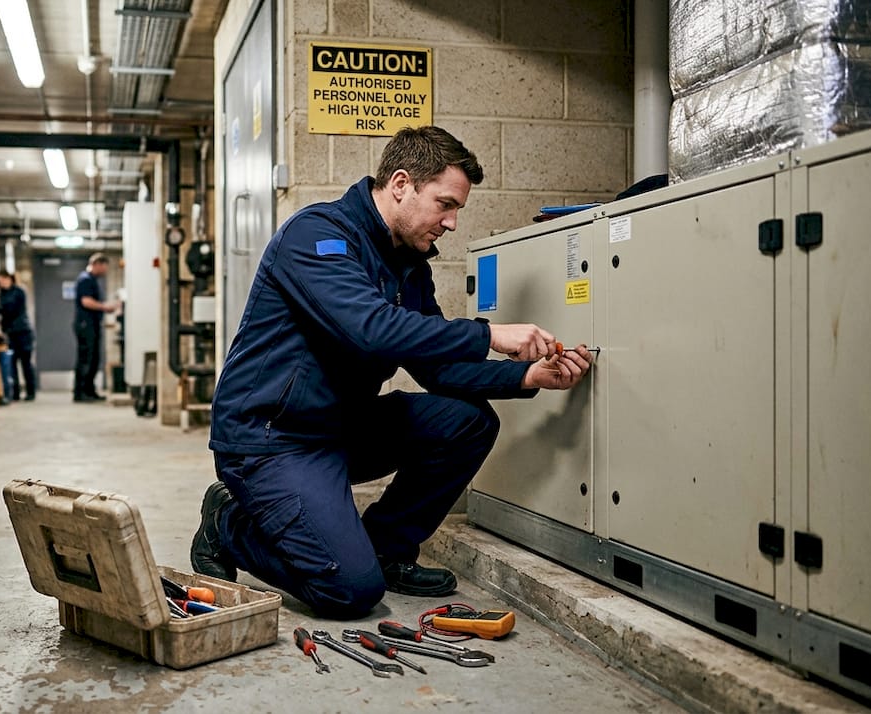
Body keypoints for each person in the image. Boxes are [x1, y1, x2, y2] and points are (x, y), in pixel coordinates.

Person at [191, 126, 593, 619]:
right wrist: (489, 334)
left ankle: (386, 548)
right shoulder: (318, 237)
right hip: (272, 440)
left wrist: (528, 377)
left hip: (340, 429)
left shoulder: (408, 264)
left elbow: (438, 368)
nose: (451, 223)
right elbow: (370, 329)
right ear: (401, 184)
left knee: (466, 421)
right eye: (445, 204)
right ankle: (228, 523)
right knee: (350, 592)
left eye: (457, 210)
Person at [73, 253, 118, 403]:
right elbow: (86, 301)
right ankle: (81, 392)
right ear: (97, 264)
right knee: (86, 358)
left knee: (93, 359)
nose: (105, 271)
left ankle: (89, 390)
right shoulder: (85, 280)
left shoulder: (92, 280)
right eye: (104, 267)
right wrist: (105, 307)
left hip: (92, 324)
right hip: (86, 325)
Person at [0, 270, 36, 401]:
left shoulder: (18, 292)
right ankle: (14, 392)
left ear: (7, 278)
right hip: (10, 332)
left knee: (26, 363)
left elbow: (11, 309)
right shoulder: (2, 293)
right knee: (12, 363)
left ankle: (30, 391)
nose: (0, 283)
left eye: (1, 280)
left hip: (22, 331)